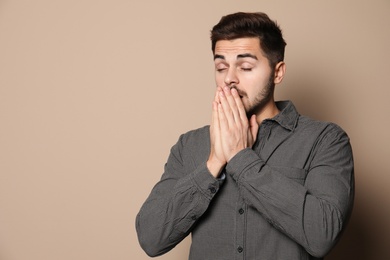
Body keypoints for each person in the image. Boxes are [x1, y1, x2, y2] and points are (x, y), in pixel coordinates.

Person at [136, 12, 354, 260]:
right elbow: (151, 239)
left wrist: (241, 157)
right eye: (221, 67)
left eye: (246, 66)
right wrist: (213, 164)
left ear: (277, 72)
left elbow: (322, 235)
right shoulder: (189, 145)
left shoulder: (325, 140)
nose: (229, 78)